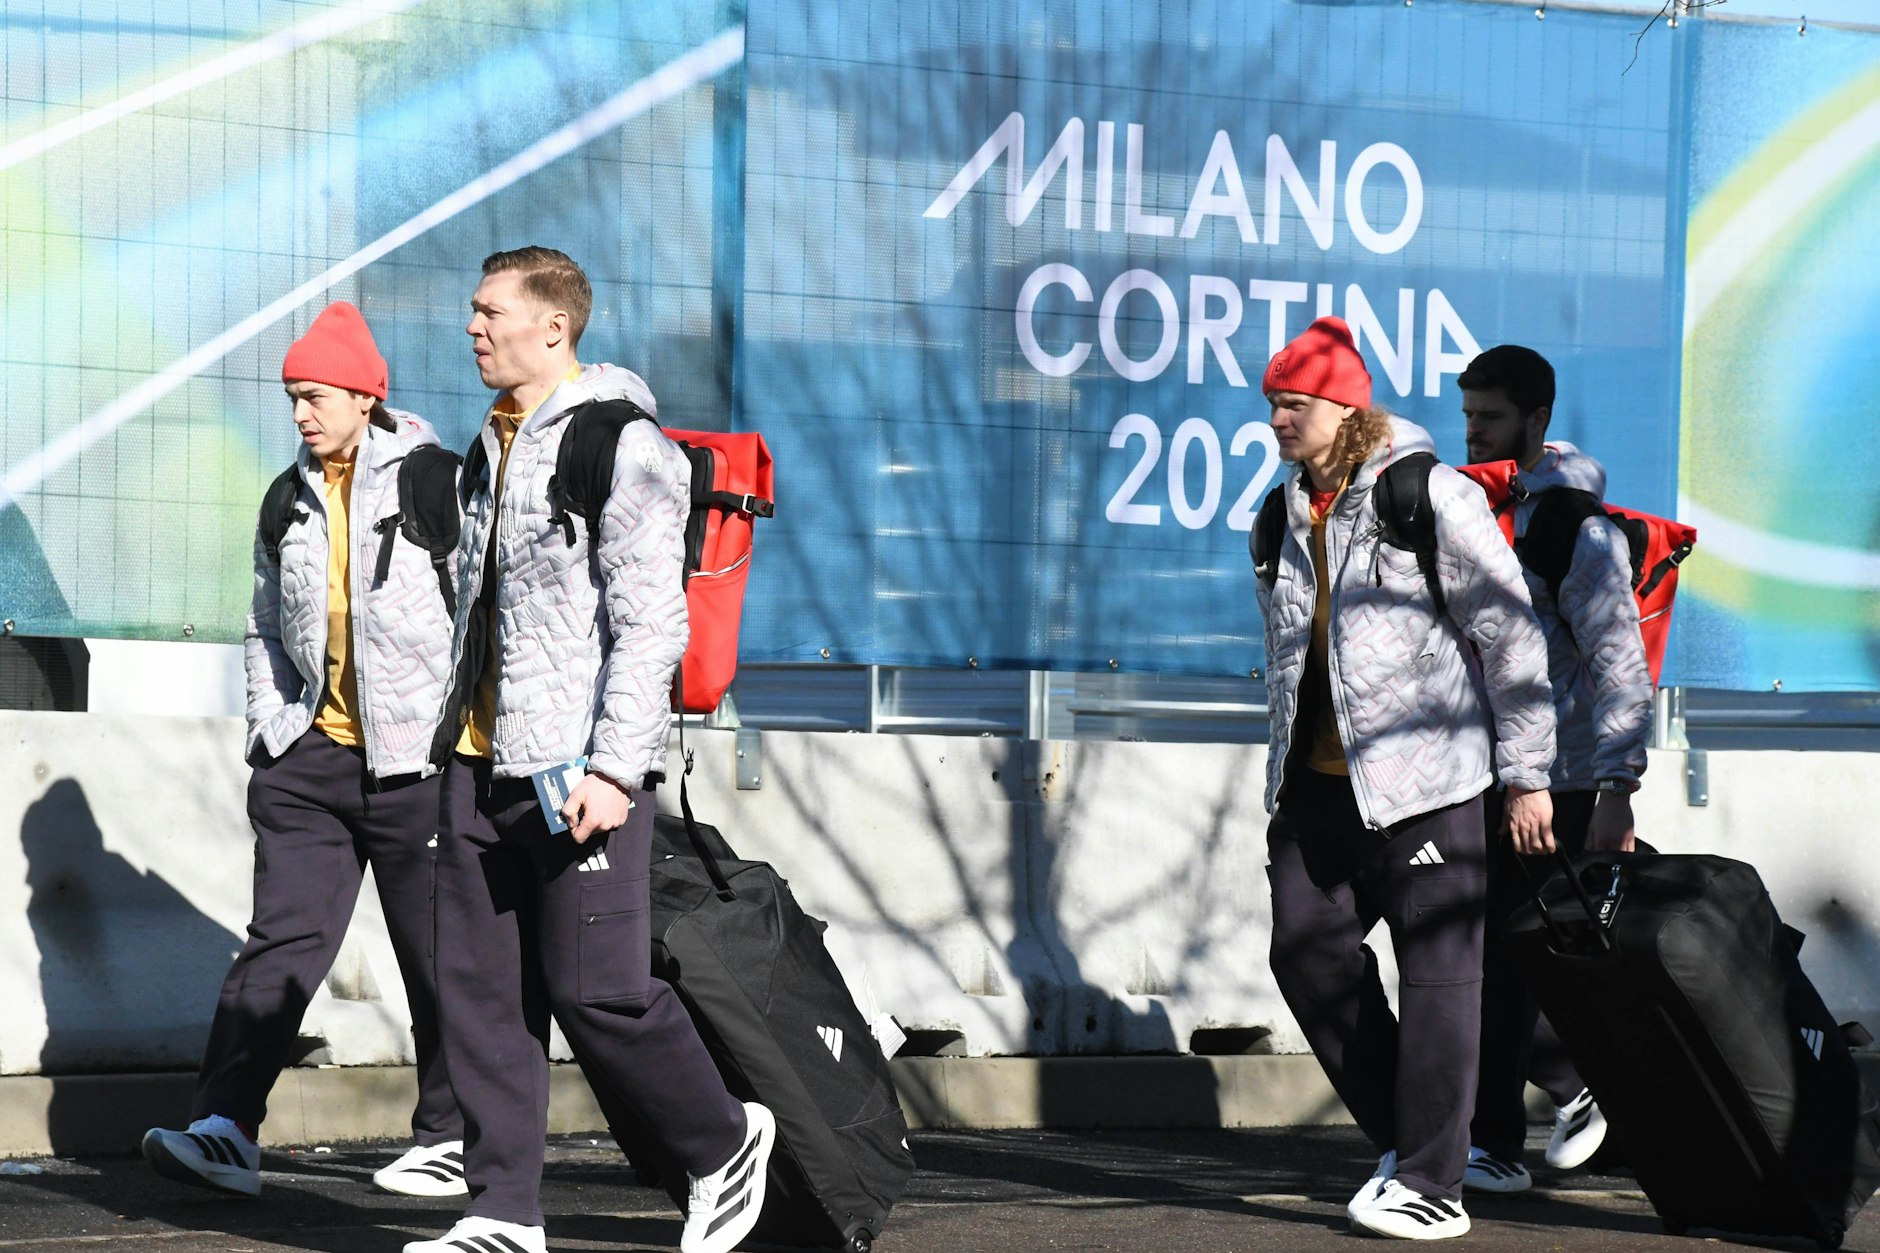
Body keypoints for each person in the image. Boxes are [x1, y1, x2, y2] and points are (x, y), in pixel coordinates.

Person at [403, 248, 773, 1253]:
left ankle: (723, 1139)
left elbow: (653, 624)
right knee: (479, 996)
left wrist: (618, 769)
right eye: (472, 312)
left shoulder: (623, 444)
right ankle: (502, 1210)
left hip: (578, 767)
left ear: (552, 326)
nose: (472, 327)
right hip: (478, 762)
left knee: (597, 989)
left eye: (490, 312)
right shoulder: (490, 443)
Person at [142, 301, 467, 1200]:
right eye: (292, 397)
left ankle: (450, 1134)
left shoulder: (435, 482)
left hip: (420, 765)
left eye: (315, 395)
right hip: (310, 763)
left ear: (366, 396)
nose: (300, 413)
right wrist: (270, 725)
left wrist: (467, 740)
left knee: (440, 956)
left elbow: (486, 611)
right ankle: (225, 1127)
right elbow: (260, 622)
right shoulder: (286, 496)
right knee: (279, 944)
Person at [1255, 317, 1557, 1240]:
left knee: (1440, 978)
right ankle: (1409, 1137)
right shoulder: (1278, 511)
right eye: (1272, 408)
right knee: (1303, 952)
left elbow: (1509, 634)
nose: (1277, 423)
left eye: (1293, 406)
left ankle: (1433, 1181)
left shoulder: (1425, 494)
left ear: (1343, 407)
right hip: (1318, 787)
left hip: (1430, 780)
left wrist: (1528, 774)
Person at [1458, 344, 1652, 1193]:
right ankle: (1575, 1092)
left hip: (1564, 783)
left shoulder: (1579, 530)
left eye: (1490, 418)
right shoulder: (1476, 510)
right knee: (1490, 956)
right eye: (1467, 416)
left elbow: (1620, 664)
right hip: (1490, 775)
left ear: (1536, 419)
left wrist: (1615, 790)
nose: (1474, 434)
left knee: (1511, 961)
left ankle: (1497, 1143)